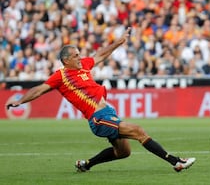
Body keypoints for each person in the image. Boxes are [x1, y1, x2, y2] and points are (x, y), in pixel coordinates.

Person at [6, 27, 195, 172]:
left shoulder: (83, 67)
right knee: (138, 131)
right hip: (97, 117)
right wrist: (20, 101)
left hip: (108, 112)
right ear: (66, 61)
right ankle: (175, 161)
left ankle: (86, 164)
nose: (80, 57)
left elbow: (101, 54)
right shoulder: (60, 76)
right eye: (75, 56)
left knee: (124, 152)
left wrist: (120, 41)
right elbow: (39, 89)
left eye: (79, 54)